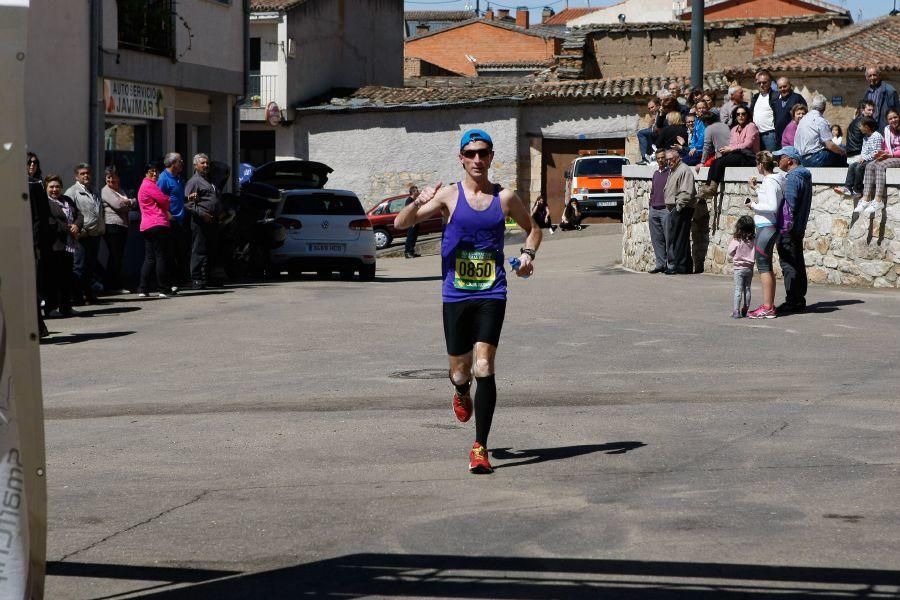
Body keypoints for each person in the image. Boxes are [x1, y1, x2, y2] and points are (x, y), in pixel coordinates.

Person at [392, 128, 542, 474]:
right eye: (471, 153)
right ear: (461, 158)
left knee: (484, 366)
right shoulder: (447, 196)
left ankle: (480, 448)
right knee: (461, 372)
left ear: (491, 157)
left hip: (492, 292)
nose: (477, 159)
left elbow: (533, 229)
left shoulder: (505, 198)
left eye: (483, 153)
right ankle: (460, 391)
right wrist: (418, 200)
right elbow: (401, 223)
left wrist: (528, 255)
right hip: (456, 294)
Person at [746, 150, 785, 319]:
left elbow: (772, 206)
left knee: (763, 266)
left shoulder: (770, 181)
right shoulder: (776, 179)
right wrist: (756, 188)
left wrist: (753, 206)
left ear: (761, 165)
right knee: (766, 266)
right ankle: (768, 305)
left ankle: (768, 307)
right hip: (768, 226)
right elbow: (770, 198)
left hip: (766, 227)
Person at [774, 146, 812, 313]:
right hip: (798, 228)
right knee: (798, 262)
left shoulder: (793, 178)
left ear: (789, 160)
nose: (777, 161)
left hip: (788, 229)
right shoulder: (804, 176)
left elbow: (789, 205)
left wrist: (783, 228)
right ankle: (798, 299)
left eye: (780, 157)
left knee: (789, 263)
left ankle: (792, 301)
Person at [66, 163, 105, 304]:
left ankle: (89, 295)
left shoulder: (94, 191)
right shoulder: (72, 192)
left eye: (87, 173)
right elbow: (68, 214)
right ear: (76, 176)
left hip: (94, 235)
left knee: (90, 267)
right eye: (82, 174)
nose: (86, 176)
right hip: (81, 236)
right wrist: (77, 229)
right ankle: (76, 297)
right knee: (79, 267)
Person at [44, 175, 82, 317]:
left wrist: (77, 225)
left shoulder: (67, 200)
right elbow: (51, 221)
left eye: (57, 186)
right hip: (55, 245)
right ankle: (50, 308)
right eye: (51, 187)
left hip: (69, 244)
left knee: (67, 277)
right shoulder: (45, 203)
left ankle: (66, 307)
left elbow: (79, 215)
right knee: (53, 278)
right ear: (46, 188)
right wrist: (69, 228)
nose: (55, 189)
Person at [137, 163, 175, 298]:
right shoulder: (149, 185)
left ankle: (143, 288)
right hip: (157, 223)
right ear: (146, 174)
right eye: (151, 172)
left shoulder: (143, 186)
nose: (154, 174)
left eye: (156, 172)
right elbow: (164, 200)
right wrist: (167, 199)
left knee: (150, 258)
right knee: (161, 257)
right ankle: (163, 289)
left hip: (146, 225)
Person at [184, 153, 222, 289]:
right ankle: (196, 278)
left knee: (211, 249)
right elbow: (188, 204)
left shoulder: (209, 180)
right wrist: (202, 214)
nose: (206, 165)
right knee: (199, 250)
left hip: (213, 220)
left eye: (207, 163)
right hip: (200, 221)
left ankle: (207, 277)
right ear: (195, 165)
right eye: (202, 163)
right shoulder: (194, 181)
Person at [856, 109, 900, 217]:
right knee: (870, 165)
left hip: (897, 156)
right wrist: (882, 153)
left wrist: (890, 155)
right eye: (890, 119)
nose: (893, 120)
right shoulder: (887, 129)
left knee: (880, 166)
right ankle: (866, 198)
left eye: (895, 117)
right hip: (890, 156)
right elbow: (886, 147)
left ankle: (878, 200)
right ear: (887, 121)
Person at [100, 166, 136, 293]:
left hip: (123, 226)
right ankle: (113, 286)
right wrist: (128, 203)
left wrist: (128, 202)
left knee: (118, 256)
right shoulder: (105, 191)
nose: (110, 180)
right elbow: (118, 205)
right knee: (115, 256)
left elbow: (133, 201)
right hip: (112, 226)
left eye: (113, 177)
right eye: (108, 177)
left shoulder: (120, 190)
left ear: (118, 178)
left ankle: (113, 284)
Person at [27, 153, 50, 336]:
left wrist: (34, 243)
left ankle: (37, 326)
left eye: (35, 162)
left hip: (30, 243)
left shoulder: (34, 184)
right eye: (29, 162)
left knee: (29, 286)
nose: (32, 165)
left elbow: (39, 217)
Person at [157, 153, 190, 285]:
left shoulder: (178, 178)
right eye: (180, 161)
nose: (182, 163)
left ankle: (180, 280)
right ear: (172, 164)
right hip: (170, 221)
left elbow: (179, 197)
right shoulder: (163, 179)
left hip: (181, 220)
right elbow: (157, 199)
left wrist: (188, 198)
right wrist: (166, 214)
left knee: (181, 252)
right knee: (169, 254)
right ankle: (170, 282)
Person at [707, 107, 760, 186]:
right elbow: (732, 144)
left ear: (747, 115)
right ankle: (708, 186)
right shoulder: (734, 129)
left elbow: (747, 144)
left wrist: (730, 149)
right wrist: (726, 149)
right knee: (715, 161)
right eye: (738, 114)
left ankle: (712, 186)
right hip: (737, 155)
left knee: (721, 162)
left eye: (743, 114)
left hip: (749, 157)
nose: (740, 116)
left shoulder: (751, 126)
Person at [663, 149, 696, 274]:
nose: (668, 162)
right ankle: (684, 266)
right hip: (676, 208)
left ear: (677, 158)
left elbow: (687, 192)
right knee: (679, 237)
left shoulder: (684, 170)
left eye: (670, 159)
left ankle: (679, 266)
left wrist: (678, 207)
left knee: (679, 238)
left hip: (683, 208)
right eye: (667, 160)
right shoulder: (674, 170)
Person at [835, 117, 881, 200]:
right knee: (852, 165)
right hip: (866, 159)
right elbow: (864, 150)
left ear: (866, 127)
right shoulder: (865, 138)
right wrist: (862, 157)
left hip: (874, 160)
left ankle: (857, 190)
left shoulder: (876, 136)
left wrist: (865, 158)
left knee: (859, 167)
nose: (859, 128)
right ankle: (848, 188)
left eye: (861, 126)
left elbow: (876, 152)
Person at [794, 95, 846, 167]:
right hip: (816, 158)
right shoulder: (820, 121)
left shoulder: (803, 119)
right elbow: (829, 145)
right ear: (824, 108)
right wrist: (843, 152)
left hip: (802, 159)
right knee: (842, 155)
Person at [728, 215, 755, 318]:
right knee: (747, 288)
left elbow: (730, 251)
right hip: (749, 268)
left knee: (738, 289)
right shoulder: (753, 239)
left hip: (738, 269)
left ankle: (736, 311)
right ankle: (746, 309)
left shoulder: (737, 239)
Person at [647, 149, 670, 273]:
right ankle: (660, 264)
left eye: (662, 157)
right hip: (654, 209)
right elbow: (653, 191)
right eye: (658, 158)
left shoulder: (670, 173)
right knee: (656, 239)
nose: (660, 160)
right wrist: (651, 205)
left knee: (668, 238)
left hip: (665, 210)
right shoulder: (655, 173)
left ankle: (670, 265)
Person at [772, 77, 807, 148]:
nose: (782, 89)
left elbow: (804, 115)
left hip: (793, 137)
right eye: (780, 87)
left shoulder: (797, 98)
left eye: (785, 86)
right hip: (780, 138)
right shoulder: (777, 102)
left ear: (790, 86)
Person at [863, 67, 899, 131]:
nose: (872, 78)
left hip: (886, 128)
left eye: (874, 75)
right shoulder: (867, 93)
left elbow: (897, 111)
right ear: (866, 78)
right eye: (870, 76)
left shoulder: (890, 91)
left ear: (879, 75)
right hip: (871, 128)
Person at [751, 70, 778, 151]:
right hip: (757, 135)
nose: (762, 85)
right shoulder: (755, 97)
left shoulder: (775, 96)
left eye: (764, 82)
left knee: (772, 160)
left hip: (770, 135)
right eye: (759, 83)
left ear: (770, 82)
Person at [683, 101, 707, 166]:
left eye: (703, 107)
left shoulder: (706, 121)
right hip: (696, 151)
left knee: (683, 162)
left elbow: (703, 136)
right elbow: (694, 137)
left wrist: (695, 148)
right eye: (699, 108)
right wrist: (692, 148)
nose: (701, 110)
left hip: (702, 151)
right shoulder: (697, 121)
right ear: (696, 110)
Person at [637, 99, 660, 163]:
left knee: (640, 133)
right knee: (645, 135)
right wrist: (652, 120)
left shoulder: (661, 112)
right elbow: (650, 126)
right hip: (654, 131)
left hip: (660, 131)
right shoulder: (655, 114)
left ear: (658, 106)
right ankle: (647, 156)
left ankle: (644, 157)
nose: (651, 110)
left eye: (652, 107)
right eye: (649, 108)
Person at [403, 185, 422, 258]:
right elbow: (408, 212)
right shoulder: (409, 200)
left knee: (414, 237)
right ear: (413, 192)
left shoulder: (414, 200)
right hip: (411, 222)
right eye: (417, 191)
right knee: (410, 237)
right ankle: (407, 253)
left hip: (415, 221)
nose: (418, 192)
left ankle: (411, 251)